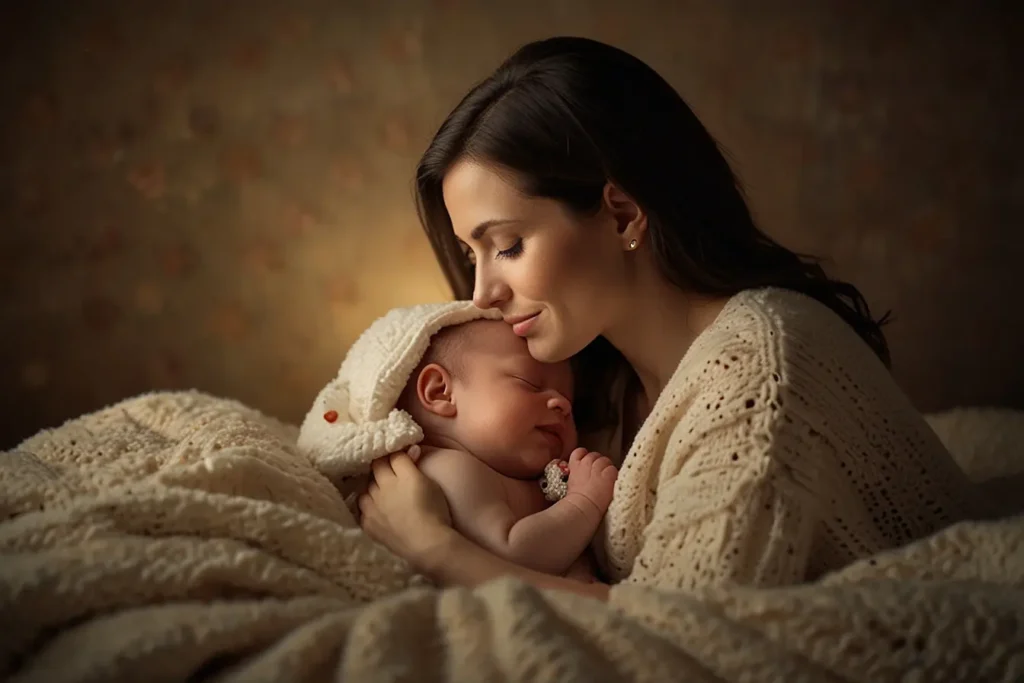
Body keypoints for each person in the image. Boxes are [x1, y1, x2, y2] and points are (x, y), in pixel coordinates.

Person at [358, 36, 984, 602]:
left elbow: (687, 630)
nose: (483, 292)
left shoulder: (757, 378)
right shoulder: (587, 384)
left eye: (509, 245)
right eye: (472, 254)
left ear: (624, 214)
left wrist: (436, 549)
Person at [392, 318, 617, 579]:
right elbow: (512, 558)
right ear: (441, 392)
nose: (562, 405)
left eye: (571, 404)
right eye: (530, 383)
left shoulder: (503, 473)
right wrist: (584, 502)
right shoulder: (449, 469)